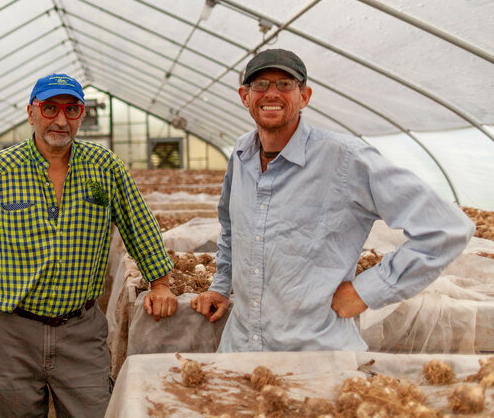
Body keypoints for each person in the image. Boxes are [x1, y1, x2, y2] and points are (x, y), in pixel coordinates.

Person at [0, 72, 177, 417]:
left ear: (81, 115)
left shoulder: (105, 167)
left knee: (94, 409)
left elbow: (140, 225)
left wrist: (160, 283)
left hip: (81, 329)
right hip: (11, 332)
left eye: (72, 110)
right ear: (31, 112)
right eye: (50, 108)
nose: (61, 120)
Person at [191, 48, 474, 352]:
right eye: (260, 85)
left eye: (285, 84)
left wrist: (367, 291)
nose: (271, 93)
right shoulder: (241, 154)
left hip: (317, 356)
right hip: (240, 349)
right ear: (244, 96)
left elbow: (447, 227)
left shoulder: (345, 159)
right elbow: (232, 228)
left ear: (305, 95)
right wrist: (221, 286)